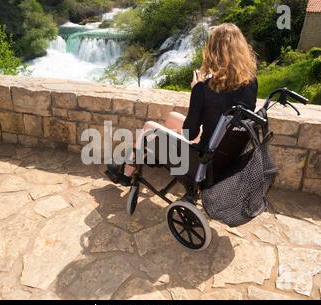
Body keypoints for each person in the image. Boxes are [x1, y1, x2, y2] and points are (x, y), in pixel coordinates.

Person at [106, 23, 258, 186]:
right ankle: (156, 153)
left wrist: (196, 90)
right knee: (172, 118)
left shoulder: (203, 89)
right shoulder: (251, 82)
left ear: (213, 51)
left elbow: (189, 134)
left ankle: (126, 173)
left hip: (203, 159)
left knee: (149, 127)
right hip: (225, 151)